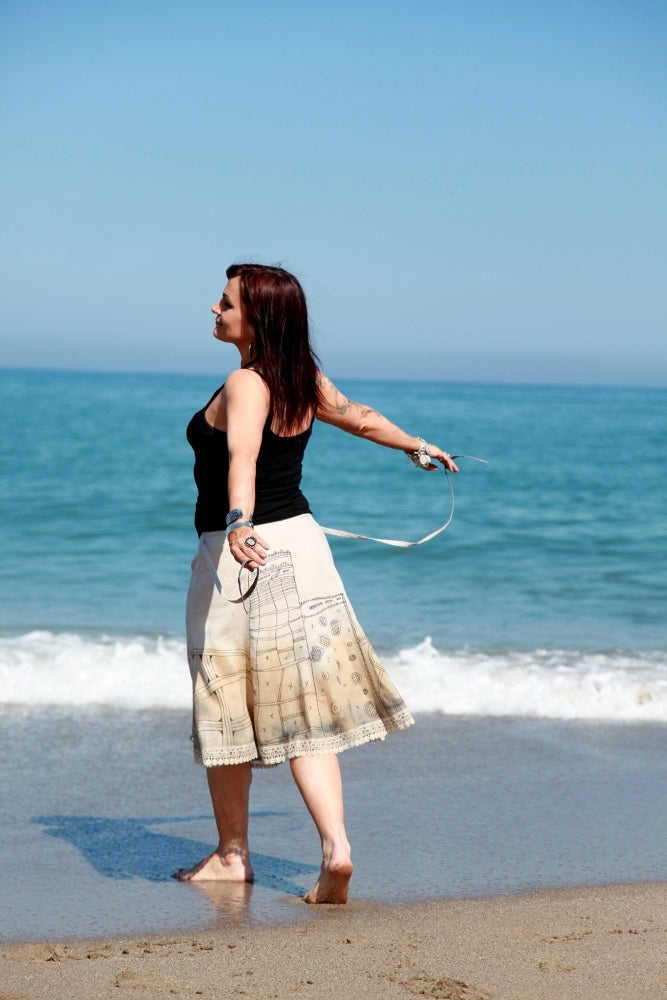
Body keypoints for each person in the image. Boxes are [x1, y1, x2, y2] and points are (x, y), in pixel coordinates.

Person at [174, 263, 459, 903]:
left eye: (225, 303)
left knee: (225, 700)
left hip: (241, 552)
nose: (213, 310)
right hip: (301, 549)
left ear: (258, 317)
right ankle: (337, 848)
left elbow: (240, 455)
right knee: (304, 709)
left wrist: (239, 521)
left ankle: (231, 855)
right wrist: (417, 445)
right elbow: (360, 417)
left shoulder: (246, 381)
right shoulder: (300, 377)